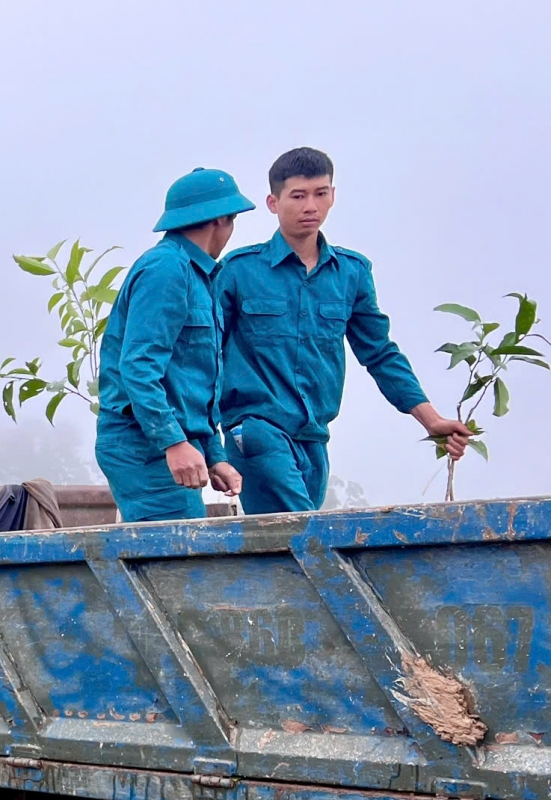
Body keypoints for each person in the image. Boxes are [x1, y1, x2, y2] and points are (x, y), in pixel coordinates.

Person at [217, 147, 471, 512]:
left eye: (321, 194)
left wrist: (430, 419)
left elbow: (379, 353)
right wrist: (202, 439)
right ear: (273, 203)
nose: (311, 206)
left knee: (289, 554)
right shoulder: (239, 270)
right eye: (298, 196)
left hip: (314, 436)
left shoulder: (351, 273)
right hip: (255, 429)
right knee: (307, 534)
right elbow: (205, 352)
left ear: (333, 196)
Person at [95, 167, 253, 521]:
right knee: (176, 567)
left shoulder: (200, 276)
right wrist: (173, 443)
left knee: (180, 560)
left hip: (170, 443)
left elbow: (189, 386)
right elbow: (138, 367)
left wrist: (214, 455)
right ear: (221, 220)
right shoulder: (166, 270)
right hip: (143, 445)